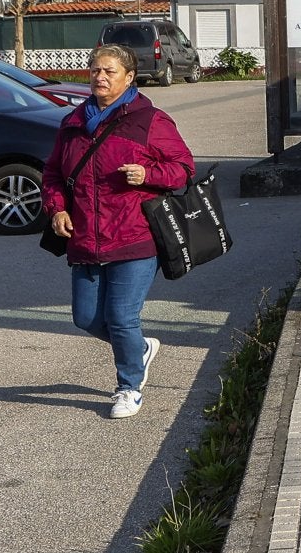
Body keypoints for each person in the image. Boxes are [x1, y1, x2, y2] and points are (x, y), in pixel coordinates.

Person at [43, 44, 195, 419]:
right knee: (86, 318)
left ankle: (128, 387)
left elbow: (184, 169)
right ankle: (139, 349)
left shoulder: (151, 121)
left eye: (109, 71)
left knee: (122, 317)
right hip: (85, 238)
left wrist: (149, 175)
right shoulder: (73, 123)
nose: (100, 77)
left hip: (134, 236)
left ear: (129, 77)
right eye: (95, 70)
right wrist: (57, 208)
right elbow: (53, 175)